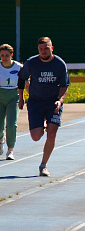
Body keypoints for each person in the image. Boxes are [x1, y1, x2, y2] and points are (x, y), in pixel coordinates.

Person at [18, 37, 70, 177]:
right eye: (41, 49)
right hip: (35, 103)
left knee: (52, 133)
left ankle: (43, 165)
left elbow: (65, 86)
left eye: (46, 48)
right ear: (38, 50)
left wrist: (60, 100)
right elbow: (22, 78)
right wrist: (21, 98)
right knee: (36, 136)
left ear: (51, 48)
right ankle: (43, 126)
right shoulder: (31, 62)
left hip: (53, 103)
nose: (43, 51)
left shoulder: (59, 64)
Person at [0, 44, 23, 160]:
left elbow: (25, 84)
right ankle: (0, 139)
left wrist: (31, 97)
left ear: (11, 55)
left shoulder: (18, 67)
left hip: (14, 96)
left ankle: (10, 150)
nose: (4, 58)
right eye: (2, 56)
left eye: (7, 56)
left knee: (11, 124)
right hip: (0, 96)